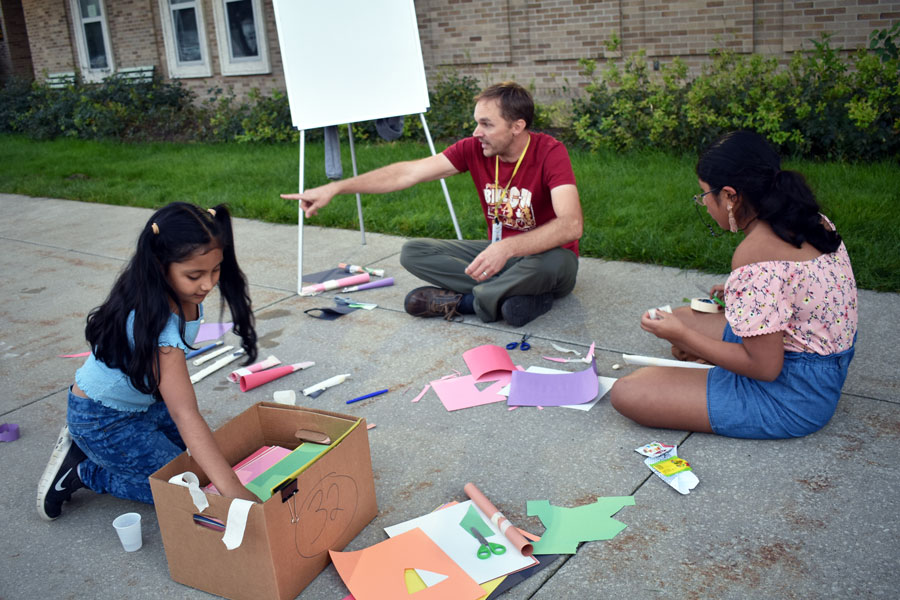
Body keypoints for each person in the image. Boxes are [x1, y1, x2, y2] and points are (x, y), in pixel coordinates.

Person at [609, 130, 858, 439]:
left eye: (703, 195)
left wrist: (683, 335)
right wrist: (741, 296)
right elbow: (797, 287)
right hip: (814, 364)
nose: (703, 203)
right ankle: (709, 356)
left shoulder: (752, 255)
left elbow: (766, 369)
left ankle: (713, 364)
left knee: (629, 391)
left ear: (729, 195)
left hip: (793, 396)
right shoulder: (811, 219)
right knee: (680, 315)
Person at [281, 82, 583, 328]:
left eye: (486, 124)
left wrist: (507, 248)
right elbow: (406, 173)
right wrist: (337, 187)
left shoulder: (549, 152)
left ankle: (466, 303)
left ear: (517, 126)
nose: (476, 132)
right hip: (502, 256)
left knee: (552, 263)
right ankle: (512, 299)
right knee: (414, 252)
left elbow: (571, 224)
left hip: (547, 258)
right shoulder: (474, 149)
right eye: (476, 123)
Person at [37, 202, 261, 521]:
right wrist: (235, 492)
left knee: (203, 468)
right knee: (187, 492)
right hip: (103, 419)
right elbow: (185, 413)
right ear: (160, 265)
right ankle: (83, 472)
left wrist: (226, 481)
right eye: (194, 275)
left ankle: (95, 457)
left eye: (215, 270)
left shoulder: (172, 291)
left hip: (146, 405)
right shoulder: (157, 323)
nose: (208, 284)